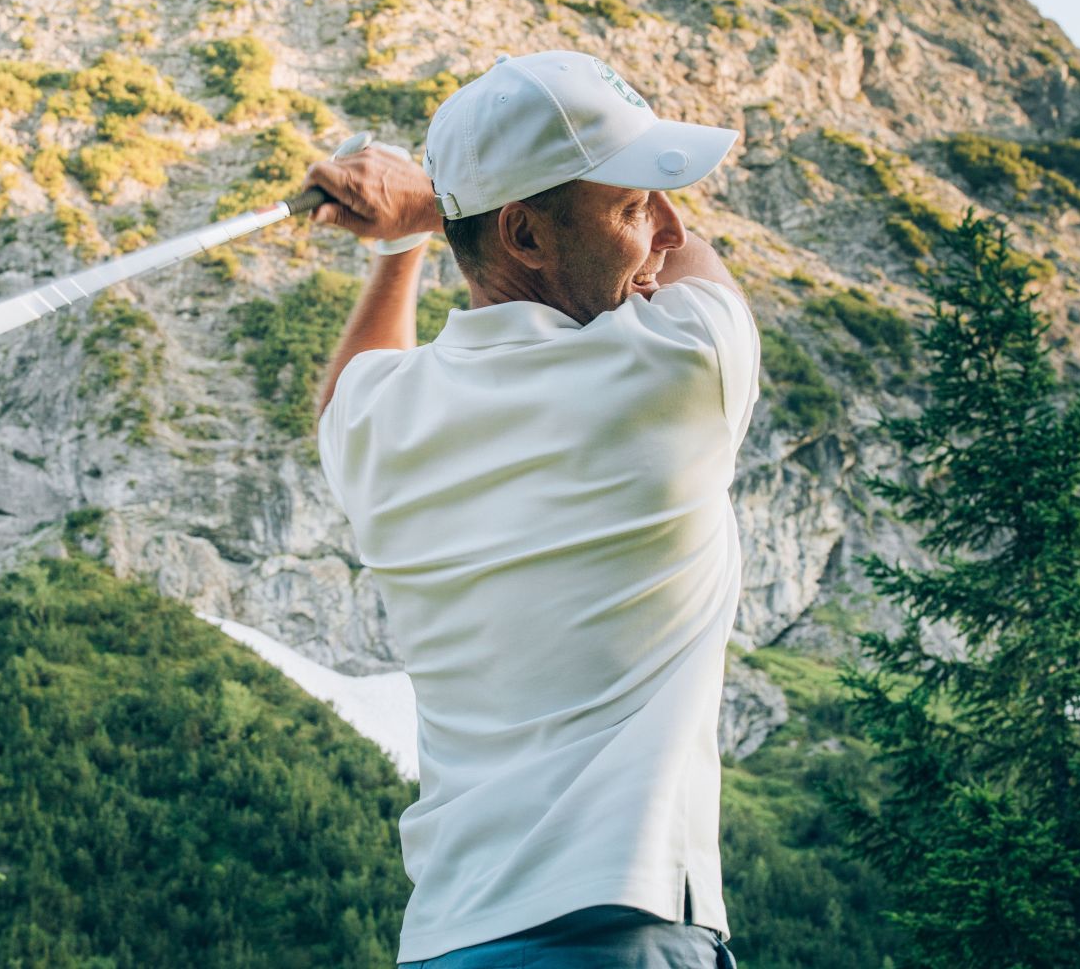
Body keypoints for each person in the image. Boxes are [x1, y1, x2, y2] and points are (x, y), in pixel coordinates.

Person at [302, 50, 757, 969]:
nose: (666, 229)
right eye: (634, 206)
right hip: (618, 928)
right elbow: (695, 262)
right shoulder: (679, 367)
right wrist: (431, 205)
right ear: (527, 237)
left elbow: (346, 386)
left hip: (449, 940)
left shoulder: (376, 423)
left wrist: (410, 236)